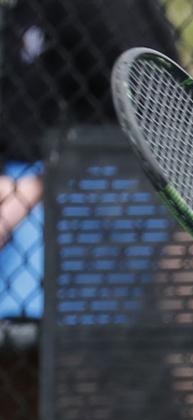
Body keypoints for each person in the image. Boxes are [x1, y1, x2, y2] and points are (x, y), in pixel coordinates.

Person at [0, 0, 177, 318]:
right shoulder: (19, 13)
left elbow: (156, 118)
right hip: (24, 178)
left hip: (93, 183)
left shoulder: (104, 10)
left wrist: (37, 187)